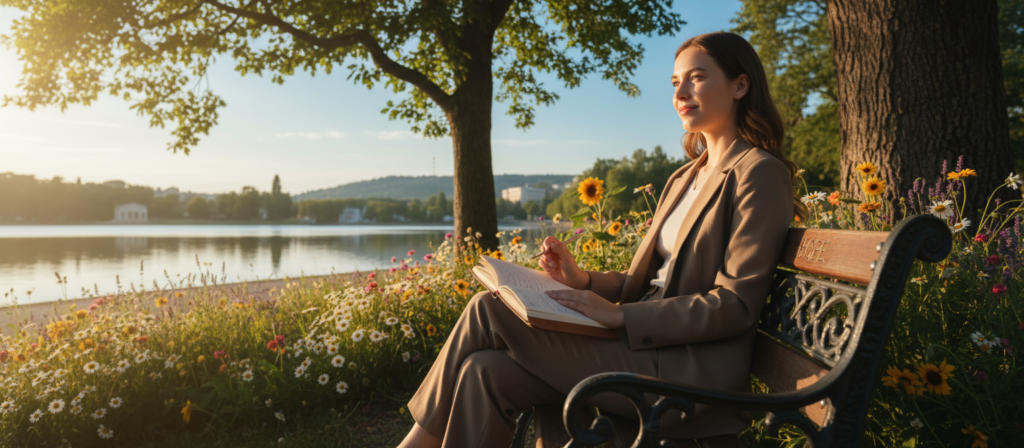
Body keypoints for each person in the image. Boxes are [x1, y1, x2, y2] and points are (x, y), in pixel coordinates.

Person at [398, 31, 800, 448]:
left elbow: (734, 305)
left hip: (688, 377)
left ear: (740, 85)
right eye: (675, 81)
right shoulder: (686, 176)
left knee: (488, 309)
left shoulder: (758, 173)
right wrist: (583, 281)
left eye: (696, 77)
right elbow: (656, 280)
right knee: (485, 372)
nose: (681, 91)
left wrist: (621, 316)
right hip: (642, 351)